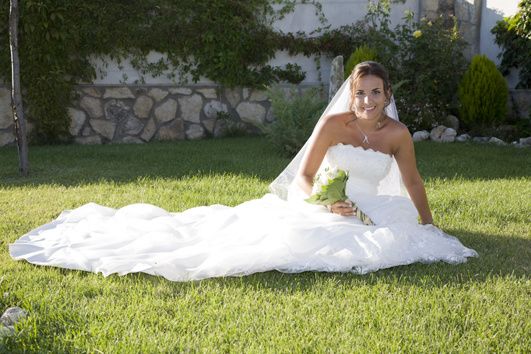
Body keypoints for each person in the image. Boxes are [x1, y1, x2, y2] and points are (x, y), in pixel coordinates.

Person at [9, 61, 477, 281]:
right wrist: (324, 203)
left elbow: (413, 181)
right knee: (275, 239)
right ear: (350, 95)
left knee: (388, 243)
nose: (368, 101)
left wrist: (428, 222)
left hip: (375, 208)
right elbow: (305, 176)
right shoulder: (334, 124)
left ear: (387, 93)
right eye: (360, 93)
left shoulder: (398, 135)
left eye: (376, 93)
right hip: (325, 206)